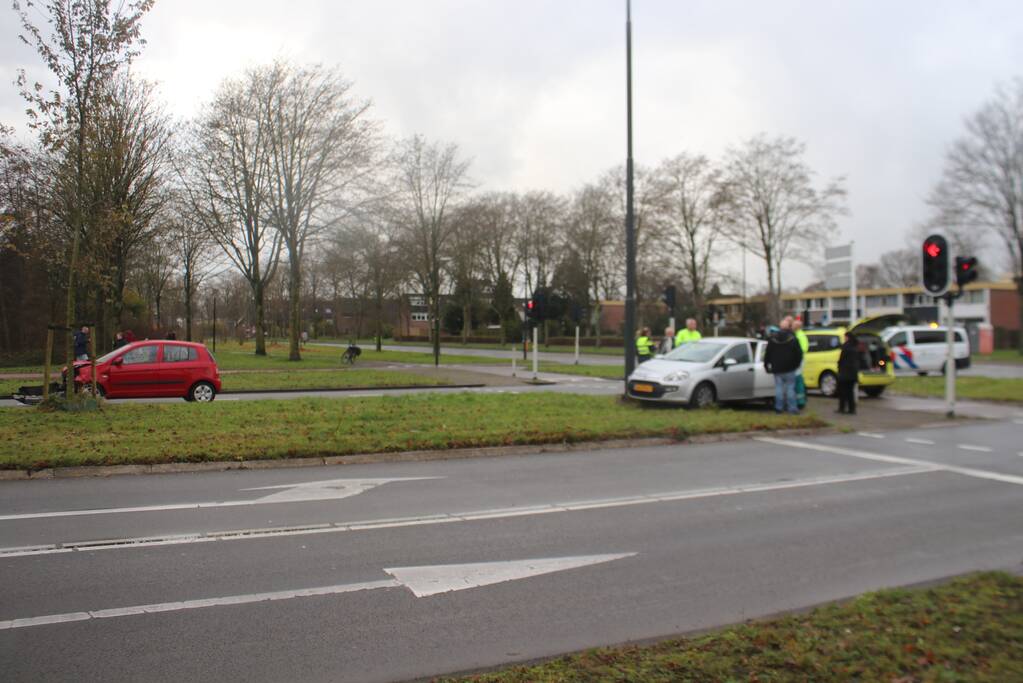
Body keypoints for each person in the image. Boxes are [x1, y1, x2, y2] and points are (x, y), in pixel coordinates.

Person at [764, 318, 803, 414]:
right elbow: (799, 354)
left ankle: (779, 407)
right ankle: (792, 408)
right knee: (790, 388)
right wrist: (797, 364)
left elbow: (767, 353)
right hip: (790, 367)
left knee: (778, 388)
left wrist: (767, 365)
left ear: (779, 327)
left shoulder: (772, 339)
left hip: (777, 367)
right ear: (789, 327)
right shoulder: (793, 338)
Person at [836, 332, 860, 415]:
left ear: (848, 337)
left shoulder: (846, 347)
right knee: (850, 392)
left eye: (845, 337)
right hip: (853, 373)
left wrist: (839, 367)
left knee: (843, 391)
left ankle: (842, 408)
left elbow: (841, 359)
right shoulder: (855, 347)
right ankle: (851, 409)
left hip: (845, 372)